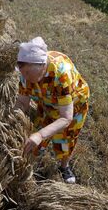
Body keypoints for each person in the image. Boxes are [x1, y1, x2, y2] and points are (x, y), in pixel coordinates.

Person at [15, 37, 90, 184]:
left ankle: (64, 167)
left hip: (72, 106)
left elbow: (65, 118)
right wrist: (13, 119)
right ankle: (29, 164)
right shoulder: (27, 71)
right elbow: (22, 102)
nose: (25, 78)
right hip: (47, 102)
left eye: (29, 74)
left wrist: (40, 135)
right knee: (34, 138)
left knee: (66, 139)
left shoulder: (61, 74)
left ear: (42, 67)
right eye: (23, 74)